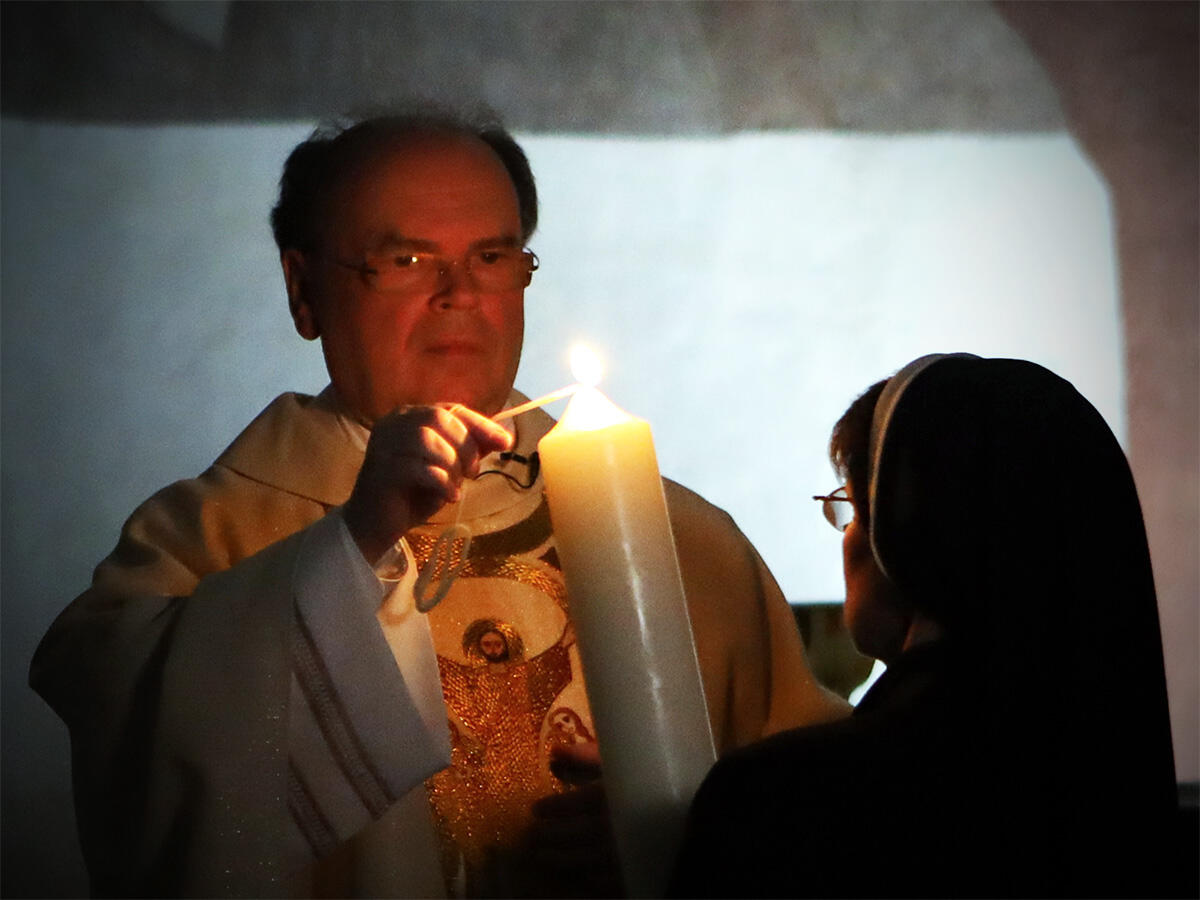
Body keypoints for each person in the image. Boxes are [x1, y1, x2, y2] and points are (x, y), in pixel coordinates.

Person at [30, 106, 848, 898]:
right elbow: (148, 781)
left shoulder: (684, 545)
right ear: (303, 288)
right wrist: (357, 541)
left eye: (493, 257)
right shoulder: (206, 540)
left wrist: (685, 843)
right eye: (409, 261)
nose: (461, 294)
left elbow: (837, 815)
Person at [669, 353, 1178, 898]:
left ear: (896, 532)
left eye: (850, 507)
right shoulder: (1117, 783)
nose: (845, 535)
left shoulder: (784, 802)